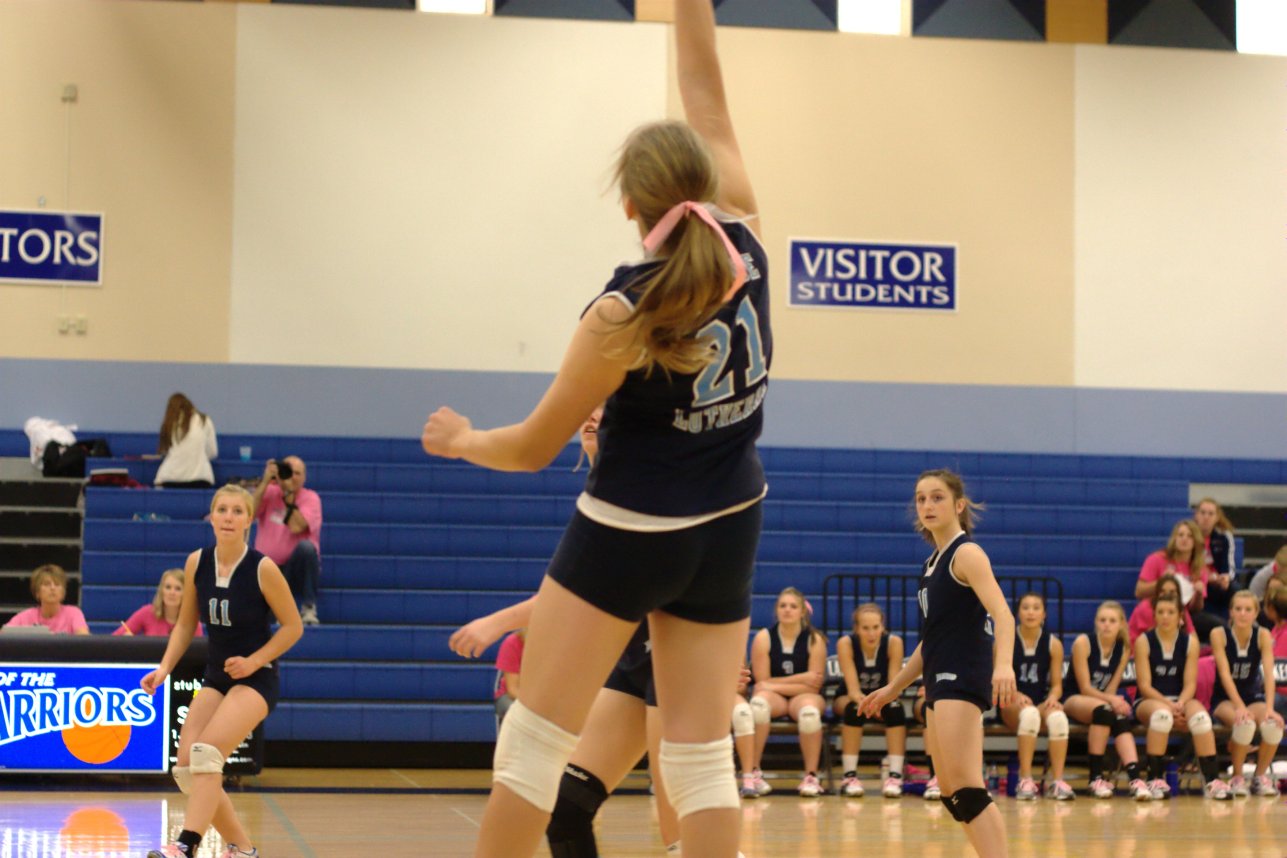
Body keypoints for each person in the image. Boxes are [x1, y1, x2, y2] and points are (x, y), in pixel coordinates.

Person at [421, 0, 768, 852]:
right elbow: (707, 90)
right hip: (729, 521)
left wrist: (462, 439)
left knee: (532, 747)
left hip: (630, 528)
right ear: (706, 181)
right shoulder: (747, 234)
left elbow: (533, 447)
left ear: (629, 207)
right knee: (701, 760)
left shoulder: (622, 312)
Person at [141, 484, 303, 858]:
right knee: (186, 768)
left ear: (249, 520)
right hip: (217, 676)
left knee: (207, 753)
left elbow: (293, 627)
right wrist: (164, 668)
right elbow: (186, 624)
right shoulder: (197, 562)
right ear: (211, 517)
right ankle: (243, 849)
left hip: (256, 679)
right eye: (222, 510)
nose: (229, 517)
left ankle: (186, 845)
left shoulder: (262, 568)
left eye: (237, 511)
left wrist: (255, 660)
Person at [861, 470, 1015, 858]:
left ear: (959, 505)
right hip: (938, 677)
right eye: (921, 499)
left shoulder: (967, 554)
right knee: (950, 792)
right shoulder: (933, 562)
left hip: (962, 674)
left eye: (937, 497)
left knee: (967, 787)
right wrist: (894, 687)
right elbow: (930, 641)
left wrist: (1004, 665)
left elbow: (1003, 614)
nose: (927, 505)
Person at [1131, 590, 1230, 800]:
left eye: (1170, 612)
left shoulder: (1190, 642)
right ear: (1154, 615)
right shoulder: (1144, 641)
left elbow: (1190, 683)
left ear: (1180, 617)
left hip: (1180, 699)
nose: (1165, 616)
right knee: (1162, 716)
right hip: (1150, 700)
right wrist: (1169, 706)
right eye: (1160, 612)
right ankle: (1155, 779)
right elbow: (1144, 686)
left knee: (1202, 719)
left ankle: (1212, 780)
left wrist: (1181, 703)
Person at [1061, 600, 1151, 800]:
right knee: (1106, 710)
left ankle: (1135, 779)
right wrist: (1113, 700)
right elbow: (1085, 688)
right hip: (1074, 700)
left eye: (1112, 621)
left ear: (1121, 624)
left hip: (1101, 703)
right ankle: (1095, 778)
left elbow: (1111, 687)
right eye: (1102, 620)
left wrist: (1114, 701)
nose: (1107, 625)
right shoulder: (1083, 643)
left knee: (1118, 716)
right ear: (1096, 622)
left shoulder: (1124, 648)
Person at [747, 587, 828, 797]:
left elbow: (814, 686)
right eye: (783, 605)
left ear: (802, 612)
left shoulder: (814, 639)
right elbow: (761, 683)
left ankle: (811, 776)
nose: (787, 610)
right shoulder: (764, 637)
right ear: (776, 610)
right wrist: (802, 678)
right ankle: (753, 772)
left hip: (804, 696)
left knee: (809, 714)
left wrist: (772, 685)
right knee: (758, 706)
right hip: (776, 699)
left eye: (793, 606)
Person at [1209, 590, 1283, 797]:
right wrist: (1240, 707)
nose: (1242, 613)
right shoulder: (1219, 634)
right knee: (1245, 723)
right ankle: (1237, 777)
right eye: (1238, 609)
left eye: (1248, 609)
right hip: (1225, 699)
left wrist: (1270, 708)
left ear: (1256, 613)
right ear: (1231, 612)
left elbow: (1269, 674)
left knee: (1273, 726)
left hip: (1252, 697)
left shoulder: (1263, 635)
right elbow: (1224, 674)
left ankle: (1259, 777)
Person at [1002, 591, 1073, 801]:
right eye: (1025, 608)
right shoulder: (1006, 641)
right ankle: (1025, 780)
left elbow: (1057, 685)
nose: (1030, 612)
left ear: (1044, 614)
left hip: (1038, 703)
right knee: (1029, 714)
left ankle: (1057, 782)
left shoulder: (1053, 644)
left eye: (1036, 608)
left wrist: (1053, 698)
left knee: (1058, 718)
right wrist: (1014, 693)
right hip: (1010, 703)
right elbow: (996, 678)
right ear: (1018, 613)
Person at [833, 602, 907, 798]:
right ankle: (849, 776)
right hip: (850, 696)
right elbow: (853, 690)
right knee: (853, 709)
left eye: (876, 627)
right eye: (865, 628)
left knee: (895, 708)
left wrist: (878, 703)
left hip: (883, 698)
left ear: (883, 626)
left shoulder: (894, 643)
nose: (871, 633)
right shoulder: (845, 643)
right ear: (856, 629)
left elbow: (893, 685)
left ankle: (895, 776)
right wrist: (868, 704)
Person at [252, 455, 322, 625]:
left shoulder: (311, 498)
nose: (293, 477)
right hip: (268, 568)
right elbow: (249, 514)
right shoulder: (269, 492)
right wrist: (265, 481)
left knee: (306, 548)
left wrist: (288, 494)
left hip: (295, 568)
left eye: (297, 473)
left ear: (304, 478)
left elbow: (296, 527)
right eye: (289, 472)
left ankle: (308, 607)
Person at [1134, 519, 1212, 641]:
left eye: (1189, 536)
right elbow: (1139, 592)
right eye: (1180, 535)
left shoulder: (1200, 569)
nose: (1184, 539)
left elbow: (1196, 608)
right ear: (1174, 538)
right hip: (1158, 609)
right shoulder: (1157, 559)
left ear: (1196, 541)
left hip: (1184, 612)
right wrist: (1161, 582)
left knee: (1219, 627)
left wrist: (1199, 593)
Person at [113, 568, 204, 637]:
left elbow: (199, 653)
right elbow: (116, 638)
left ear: (185, 594)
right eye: (168, 587)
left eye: (178, 589)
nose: (172, 593)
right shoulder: (147, 612)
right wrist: (127, 639)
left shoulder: (192, 622)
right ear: (161, 591)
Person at [154, 393, 218, 488]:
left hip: (169, 479)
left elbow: (164, 451)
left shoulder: (169, 424)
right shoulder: (204, 420)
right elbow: (212, 452)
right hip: (201, 478)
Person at [3, 564, 89, 634]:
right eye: (47, 584)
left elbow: (84, 640)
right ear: (37, 592)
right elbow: (4, 634)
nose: (52, 588)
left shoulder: (74, 613)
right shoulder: (26, 616)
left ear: (63, 591)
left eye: (57, 584)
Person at [1193, 498, 1236, 616]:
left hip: (1217, 581)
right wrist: (1206, 577)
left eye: (1211, 514)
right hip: (1197, 580)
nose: (1206, 517)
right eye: (1203, 513)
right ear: (1196, 515)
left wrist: (1226, 577)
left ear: (1217, 517)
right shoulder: (1190, 534)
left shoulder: (1224, 536)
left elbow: (1229, 565)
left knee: (1234, 589)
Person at [1128, 572, 1195, 643]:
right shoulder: (1144, 609)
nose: (1167, 594)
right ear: (1156, 593)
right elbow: (1153, 642)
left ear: (1178, 594)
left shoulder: (1180, 608)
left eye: (1172, 592)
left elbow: (1193, 638)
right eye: (1162, 591)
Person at [494, 629, 524, 727]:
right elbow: (512, 690)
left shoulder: (553, 645)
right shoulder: (512, 643)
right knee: (521, 713)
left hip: (541, 698)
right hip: (511, 696)